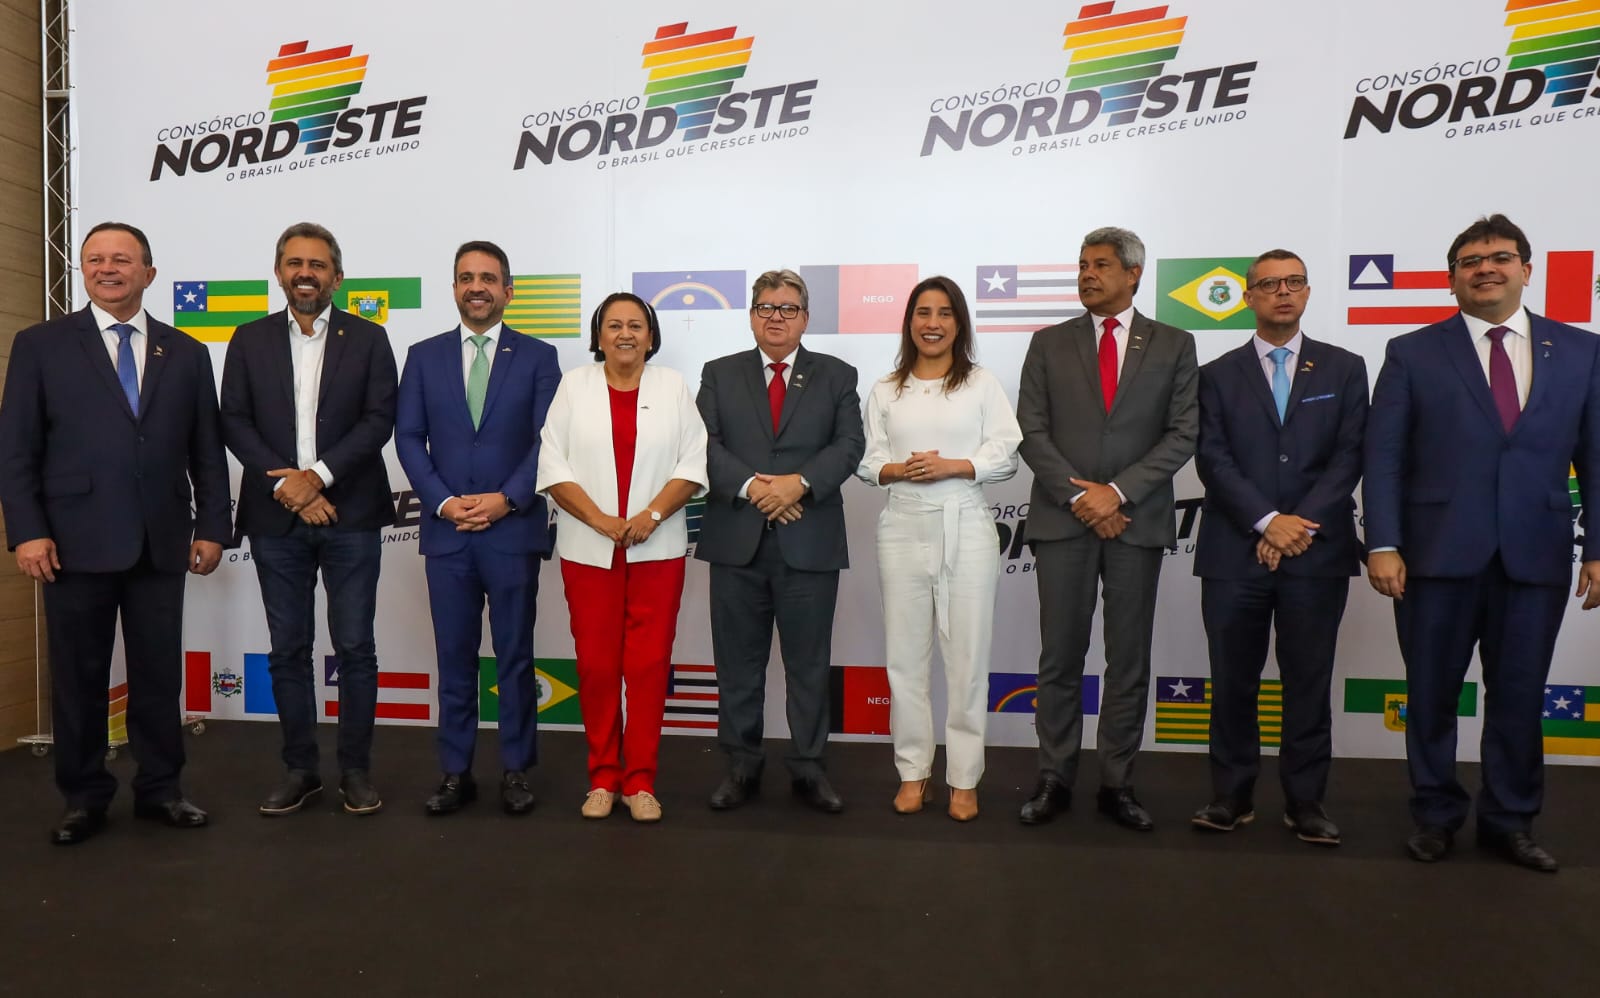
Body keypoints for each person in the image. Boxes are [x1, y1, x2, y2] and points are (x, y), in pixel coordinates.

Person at [1365, 214, 1600, 872]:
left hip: (1536, 555)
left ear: (1527, 269)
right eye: (1470, 261)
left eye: (1499, 257)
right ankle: (1435, 815)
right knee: (1431, 695)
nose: (1485, 268)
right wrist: (1382, 542)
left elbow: (1596, 458)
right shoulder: (1411, 352)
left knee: (1520, 697)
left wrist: (1598, 548)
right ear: (1452, 280)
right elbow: (1383, 458)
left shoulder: (1581, 351)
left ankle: (1510, 821)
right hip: (1435, 554)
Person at [0, 221, 231, 844]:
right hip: (71, 543)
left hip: (161, 540)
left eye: (121, 260)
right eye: (95, 259)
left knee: (158, 676)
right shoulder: (40, 345)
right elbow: (15, 449)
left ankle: (162, 789)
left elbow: (207, 452)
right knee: (79, 680)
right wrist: (27, 531)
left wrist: (213, 525)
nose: (107, 269)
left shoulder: (187, 352)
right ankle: (83, 797)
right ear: (82, 271)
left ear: (148, 272)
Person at [1016, 226, 1198, 831]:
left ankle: (1117, 783)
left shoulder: (1174, 344)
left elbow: (1183, 433)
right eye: (1082, 265)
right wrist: (1083, 497)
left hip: (1135, 522)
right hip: (1063, 522)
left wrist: (1116, 493)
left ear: (1133, 274)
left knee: (1128, 660)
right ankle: (1054, 777)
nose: (1087, 274)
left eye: (1100, 265)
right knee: (1059, 657)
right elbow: (1031, 431)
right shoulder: (1048, 343)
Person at [1190, 250, 1367, 846]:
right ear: (1248, 298)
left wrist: (1297, 526)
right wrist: (1267, 522)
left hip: (1317, 553)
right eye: (1269, 284)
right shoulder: (1216, 374)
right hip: (1234, 550)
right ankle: (1231, 796)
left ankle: (1306, 802)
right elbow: (1212, 458)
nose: (1282, 292)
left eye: (1293, 282)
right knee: (1232, 681)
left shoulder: (1345, 368)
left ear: (1308, 292)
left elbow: (1349, 456)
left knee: (1308, 682)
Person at [220, 221, 398, 817]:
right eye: (295, 263)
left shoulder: (369, 339)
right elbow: (234, 420)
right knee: (288, 649)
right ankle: (301, 769)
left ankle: (355, 771)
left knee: (356, 647)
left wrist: (316, 477)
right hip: (276, 519)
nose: (305, 273)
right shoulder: (248, 339)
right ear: (279, 273)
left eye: (317, 265)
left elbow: (378, 420)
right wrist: (289, 488)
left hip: (351, 514)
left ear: (337, 277)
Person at [395, 241, 561, 816]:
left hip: (511, 531)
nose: (476, 287)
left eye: (488, 278)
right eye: (466, 277)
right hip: (449, 535)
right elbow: (408, 437)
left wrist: (507, 499)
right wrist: (442, 502)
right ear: (454, 288)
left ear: (507, 290)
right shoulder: (423, 356)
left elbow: (548, 440)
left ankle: (515, 769)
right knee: (455, 657)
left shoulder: (539, 356)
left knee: (515, 656)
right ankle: (455, 771)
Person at [536, 292, 707, 822]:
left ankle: (641, 782)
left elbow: (692, 463)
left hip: (658, 549)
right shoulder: (574, 386)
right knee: (597, 666)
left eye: (636, 325)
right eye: (614, 325)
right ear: (598, 335)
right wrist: (600, 520)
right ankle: (603, 778)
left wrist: (651, 515)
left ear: (651, 336)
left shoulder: (673, 386)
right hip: (590, 551)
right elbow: (553, 465)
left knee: (649, 666)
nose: (625, 334)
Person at [857, 276, 1020, 822]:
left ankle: (964, 780)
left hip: (965, 525)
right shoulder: (887, 388)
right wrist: (898, 470)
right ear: (909, 322)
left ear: (959, 323)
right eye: (923, 313)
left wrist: (956, 465)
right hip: (901, 525)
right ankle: (913, 773)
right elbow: (868, 461)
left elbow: (1007, 453)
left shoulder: (980, 384)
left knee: (967, 659)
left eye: (944, 313)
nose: (933, 323)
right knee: (905, 659)